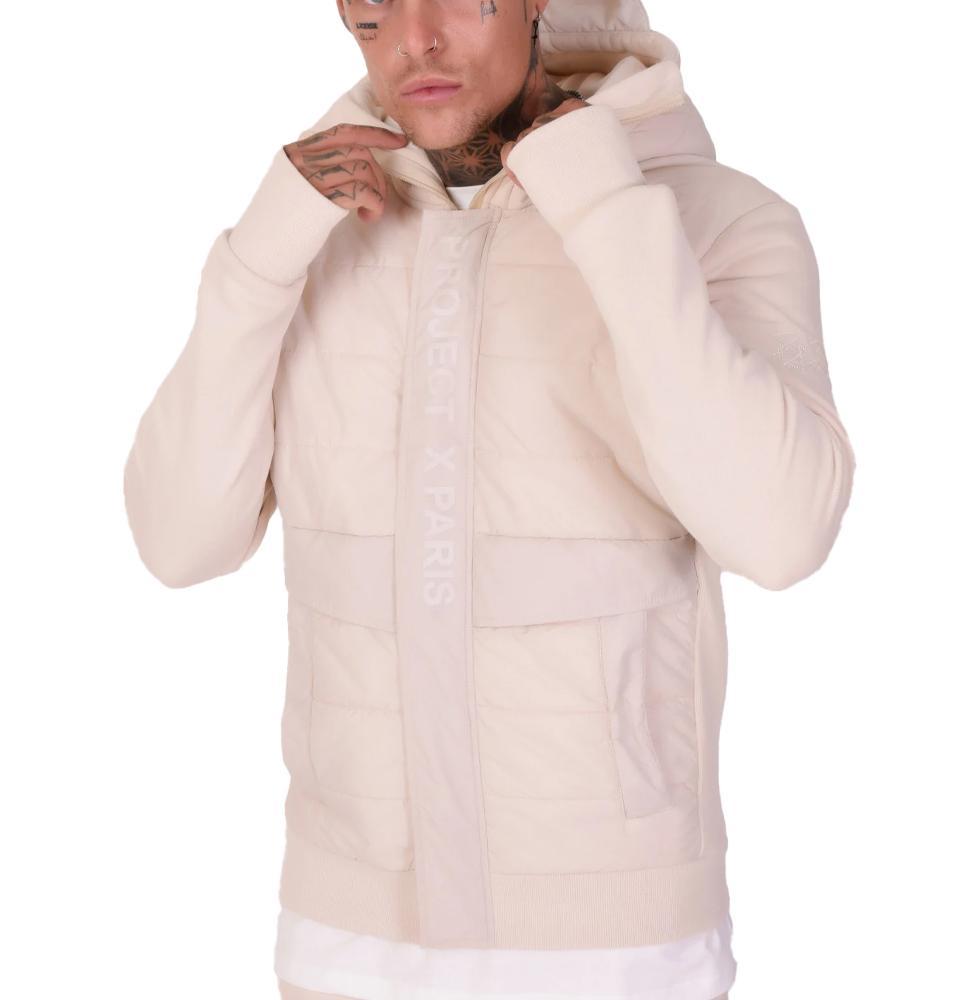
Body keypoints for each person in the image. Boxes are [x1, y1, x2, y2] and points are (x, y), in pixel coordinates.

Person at [122, 0, 855, 997]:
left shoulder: (711, 218)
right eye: (374, 8)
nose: (413, 41)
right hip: (347, 942)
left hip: (614, 948)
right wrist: (256, 263)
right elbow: (178, 543)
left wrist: (602, 204)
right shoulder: (313, 234)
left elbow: (780, 533)